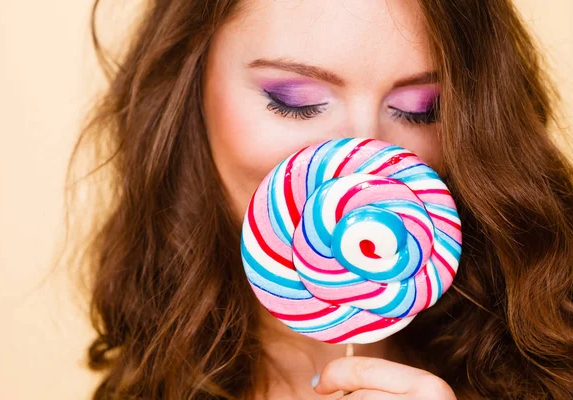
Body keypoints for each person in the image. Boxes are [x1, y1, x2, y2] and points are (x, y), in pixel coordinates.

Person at [69, 0, 573, 398]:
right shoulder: (148, 382)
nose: (362, 155)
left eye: (422, 109)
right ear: (189, 88)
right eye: (295, 101)